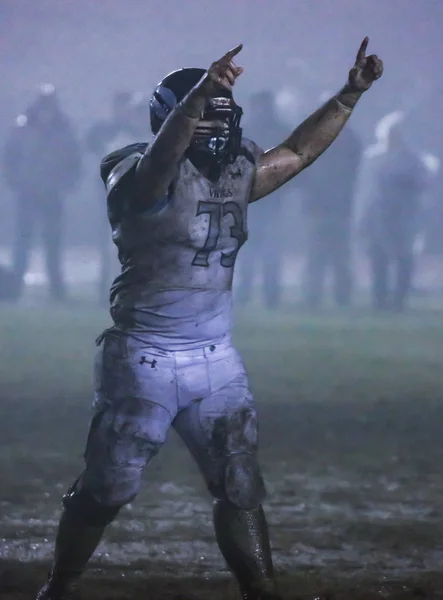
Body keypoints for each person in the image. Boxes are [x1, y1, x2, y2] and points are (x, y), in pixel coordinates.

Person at [36, 38, 383, 600]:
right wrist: (196, 98)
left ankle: (261, 590)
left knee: (240, 484)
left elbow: (296, 153)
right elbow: (156, 170)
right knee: (109, 486)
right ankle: (59, 584)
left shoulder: (236, 170)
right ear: (173, 116)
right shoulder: (130, 171)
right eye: (202, 113)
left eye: (223, 113)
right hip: (142, 356)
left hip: (216, 356)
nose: (217, 127)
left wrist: (348, 96)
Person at [2, 84, 82, 302]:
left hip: (52, 194)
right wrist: (16, 182)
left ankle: (57, 292)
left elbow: (74, 160)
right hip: (27, 193)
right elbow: (10, 158)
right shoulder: (23, 128)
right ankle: (13, 290)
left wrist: (67, 183)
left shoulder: (64, 129)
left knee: (53, 246)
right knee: (23, 245)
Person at [360, 116, 429, 311]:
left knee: (403, 259)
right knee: (379, 260)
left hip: (403, 218)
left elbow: (423, 187)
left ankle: (399, 299)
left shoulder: (412, 160)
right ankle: (379, 298)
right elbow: (365, 192)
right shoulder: (372, 159)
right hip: (379, 217)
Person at [298, 120, 362, 308]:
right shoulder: (350, 140)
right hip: (329, 207)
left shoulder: (316, 139)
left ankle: (317, 295)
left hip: (328, 208)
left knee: (323, 255)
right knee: (331, 255)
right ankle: (330, 295)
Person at [236, 91, 290, 309]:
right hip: (250, 201)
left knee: (268, 253)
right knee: (250, 252)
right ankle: (248, 293)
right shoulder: (247, 132)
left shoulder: (247, 132)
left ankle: (266, 294)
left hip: (266, 202)